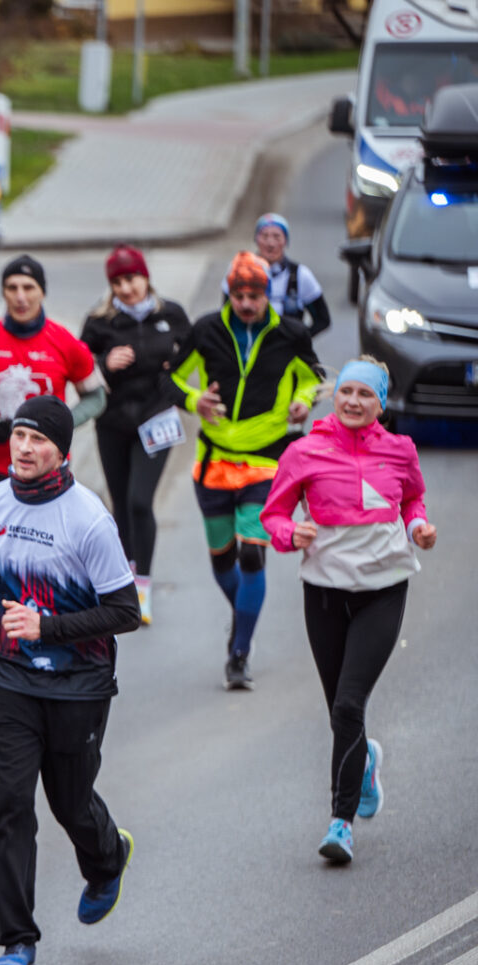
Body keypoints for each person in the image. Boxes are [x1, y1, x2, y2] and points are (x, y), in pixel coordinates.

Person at [0, 397, 142, 965]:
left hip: (78, 685)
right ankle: (17, 940)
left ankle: (107, 857)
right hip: (10, 679)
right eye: (19, 436)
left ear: (62, 450)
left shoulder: (88, 519)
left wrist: (48, 627)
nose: (25, 448)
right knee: (10, 806)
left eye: (38, 439)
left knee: (70, 803)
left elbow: (125, 612)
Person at [260, 360, 435, 865]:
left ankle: (341, 821)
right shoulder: (303, 453)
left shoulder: (400, 450)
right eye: (346, 392)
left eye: (365, 394)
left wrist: (418, 526)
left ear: (381, 403)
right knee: (339, 708)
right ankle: (365, 763)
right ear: (334, 396)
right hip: (324, 591)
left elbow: (413, 500)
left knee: (347, 707)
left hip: (383, 588)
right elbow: (273, 514)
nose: (354, 401)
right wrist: (290, 534)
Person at [172, 251, 323, 690]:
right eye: (238, 295)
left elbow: (313, 377)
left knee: (253, 555)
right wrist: (193, 400)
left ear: (266, 295)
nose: (246, 303)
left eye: (254, 295)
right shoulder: (207, 330)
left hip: (267, 459)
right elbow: (171, 379)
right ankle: (244, 621)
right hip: (215, 460)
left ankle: (238, 654)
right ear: (229, 294)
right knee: (223, 560)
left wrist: (305, 401)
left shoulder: (291, 333)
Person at [79, 244, 192, 625]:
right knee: (120, 505)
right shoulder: (100, 322)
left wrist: (178, 373)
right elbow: (79, 372)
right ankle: (124, 580)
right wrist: (104, 363)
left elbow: (195, 354)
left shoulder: (170, 314)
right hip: (112, 424)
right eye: (118, 282)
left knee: (140, 501)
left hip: (156, 420)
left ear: (146, 277)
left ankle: (142, 585)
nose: (126, 288)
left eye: (132, 279)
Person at [0, 254, 107, 491]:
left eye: (28, 287)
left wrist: (61, 424)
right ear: (4, 292)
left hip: (50, 466)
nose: (20, 297)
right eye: (12, 288)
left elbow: (96, 398)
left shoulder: (65, 342)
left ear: (42, 292)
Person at [227, 214, 330, 338]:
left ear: (286, 241)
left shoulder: (300, 275)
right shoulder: (238, 271)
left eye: (277, 236)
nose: (270, 243)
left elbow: (323, 320)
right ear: (256, 239)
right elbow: (226, 315)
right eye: (265, 236)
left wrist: (299, 341)